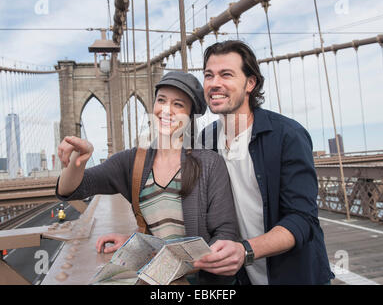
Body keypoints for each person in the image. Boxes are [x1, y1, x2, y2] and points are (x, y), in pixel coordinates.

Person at [55, 71, 238, 284]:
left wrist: (192, 265)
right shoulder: (133, 161)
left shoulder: (210, 164)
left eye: (178, 104)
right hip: (158, 276)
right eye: (161, 100)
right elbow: (71, 190)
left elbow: (225, 231)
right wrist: (79, 157)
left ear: (190, 116)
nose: (166, 110)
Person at [194, 40, 335, 285]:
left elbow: (302, 219)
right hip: (238, 278)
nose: (214, 83)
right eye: (208, 75)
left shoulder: (287, 135)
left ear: (251, 83)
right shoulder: (204, 140)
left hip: (294, 276)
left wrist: (245, 250)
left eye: (226, 74)